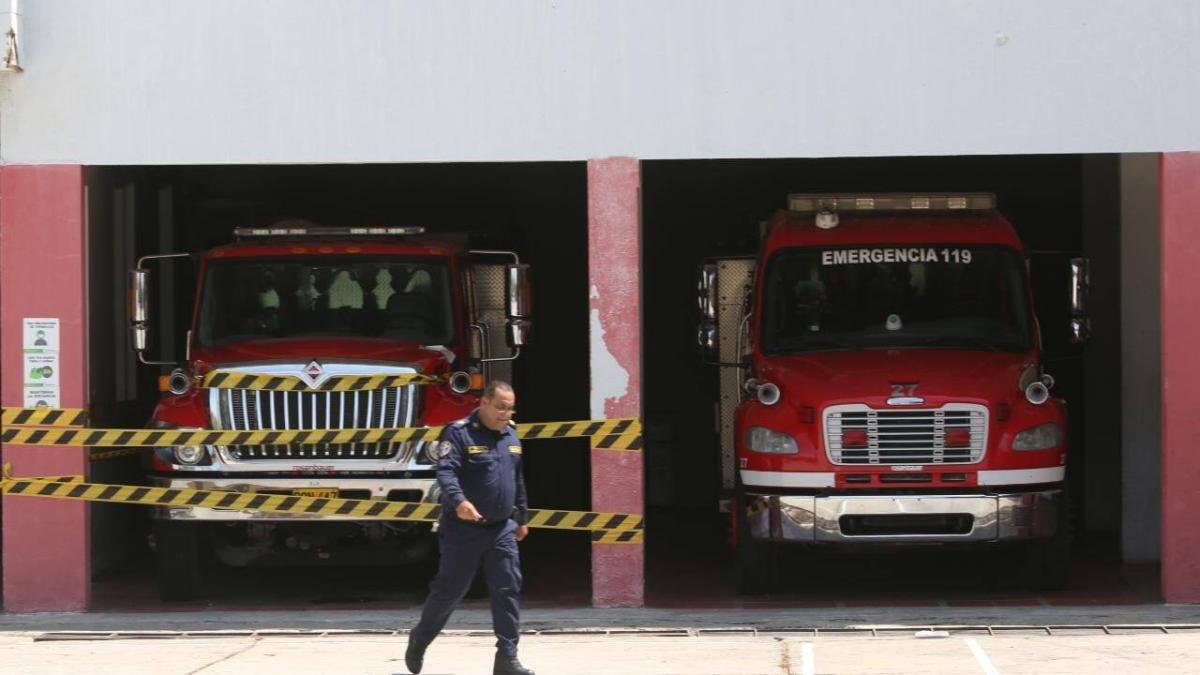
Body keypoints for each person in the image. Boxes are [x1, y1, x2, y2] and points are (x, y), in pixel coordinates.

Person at [405, 380, 535, 675]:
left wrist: (522, 517)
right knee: (450, 590)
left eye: (510, 408)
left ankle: (507, 657)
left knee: (507, 589)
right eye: (501, 407)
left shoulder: (511, 436)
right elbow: (446, 471)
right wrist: (459, 501)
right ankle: (420, 639)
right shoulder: (459, 432)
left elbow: (517, 480)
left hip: (502, 528)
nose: (506, 413)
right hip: (464, 529)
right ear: (484, 402)